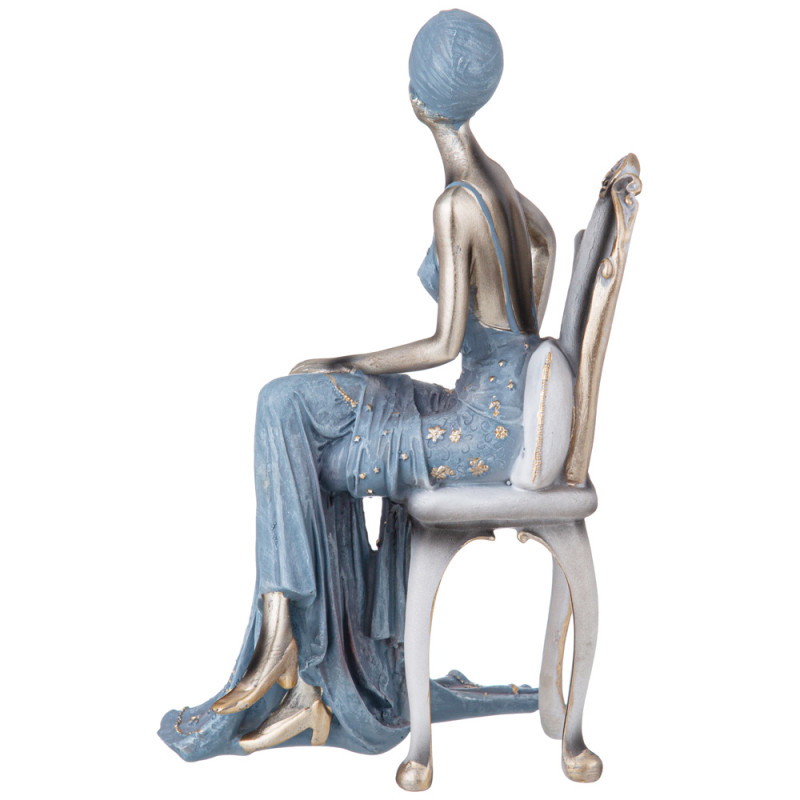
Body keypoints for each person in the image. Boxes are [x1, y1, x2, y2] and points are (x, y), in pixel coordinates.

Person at [159, 9, 553, 761]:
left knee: (291, 418)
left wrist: (344, 360)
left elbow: (441, 345)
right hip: (496, 409)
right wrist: (522, 347)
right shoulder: (496, 181)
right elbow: (545, 243)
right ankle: (306, 663)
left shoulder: (457, 202)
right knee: (287, 407)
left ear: (417, 100)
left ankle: (302, 664)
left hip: (477, 429)